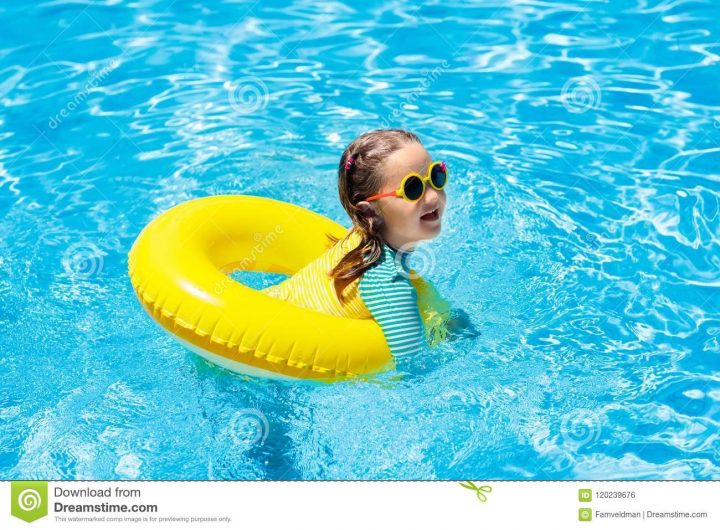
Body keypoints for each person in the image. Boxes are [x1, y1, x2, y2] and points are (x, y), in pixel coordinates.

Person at [263, 129, 475, 359]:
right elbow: (414, 368)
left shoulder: (356, 237)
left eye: (436, 176)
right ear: (368, 211)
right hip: (265, 352)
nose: (433, 197)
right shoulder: (388, 284)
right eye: (413, 189)